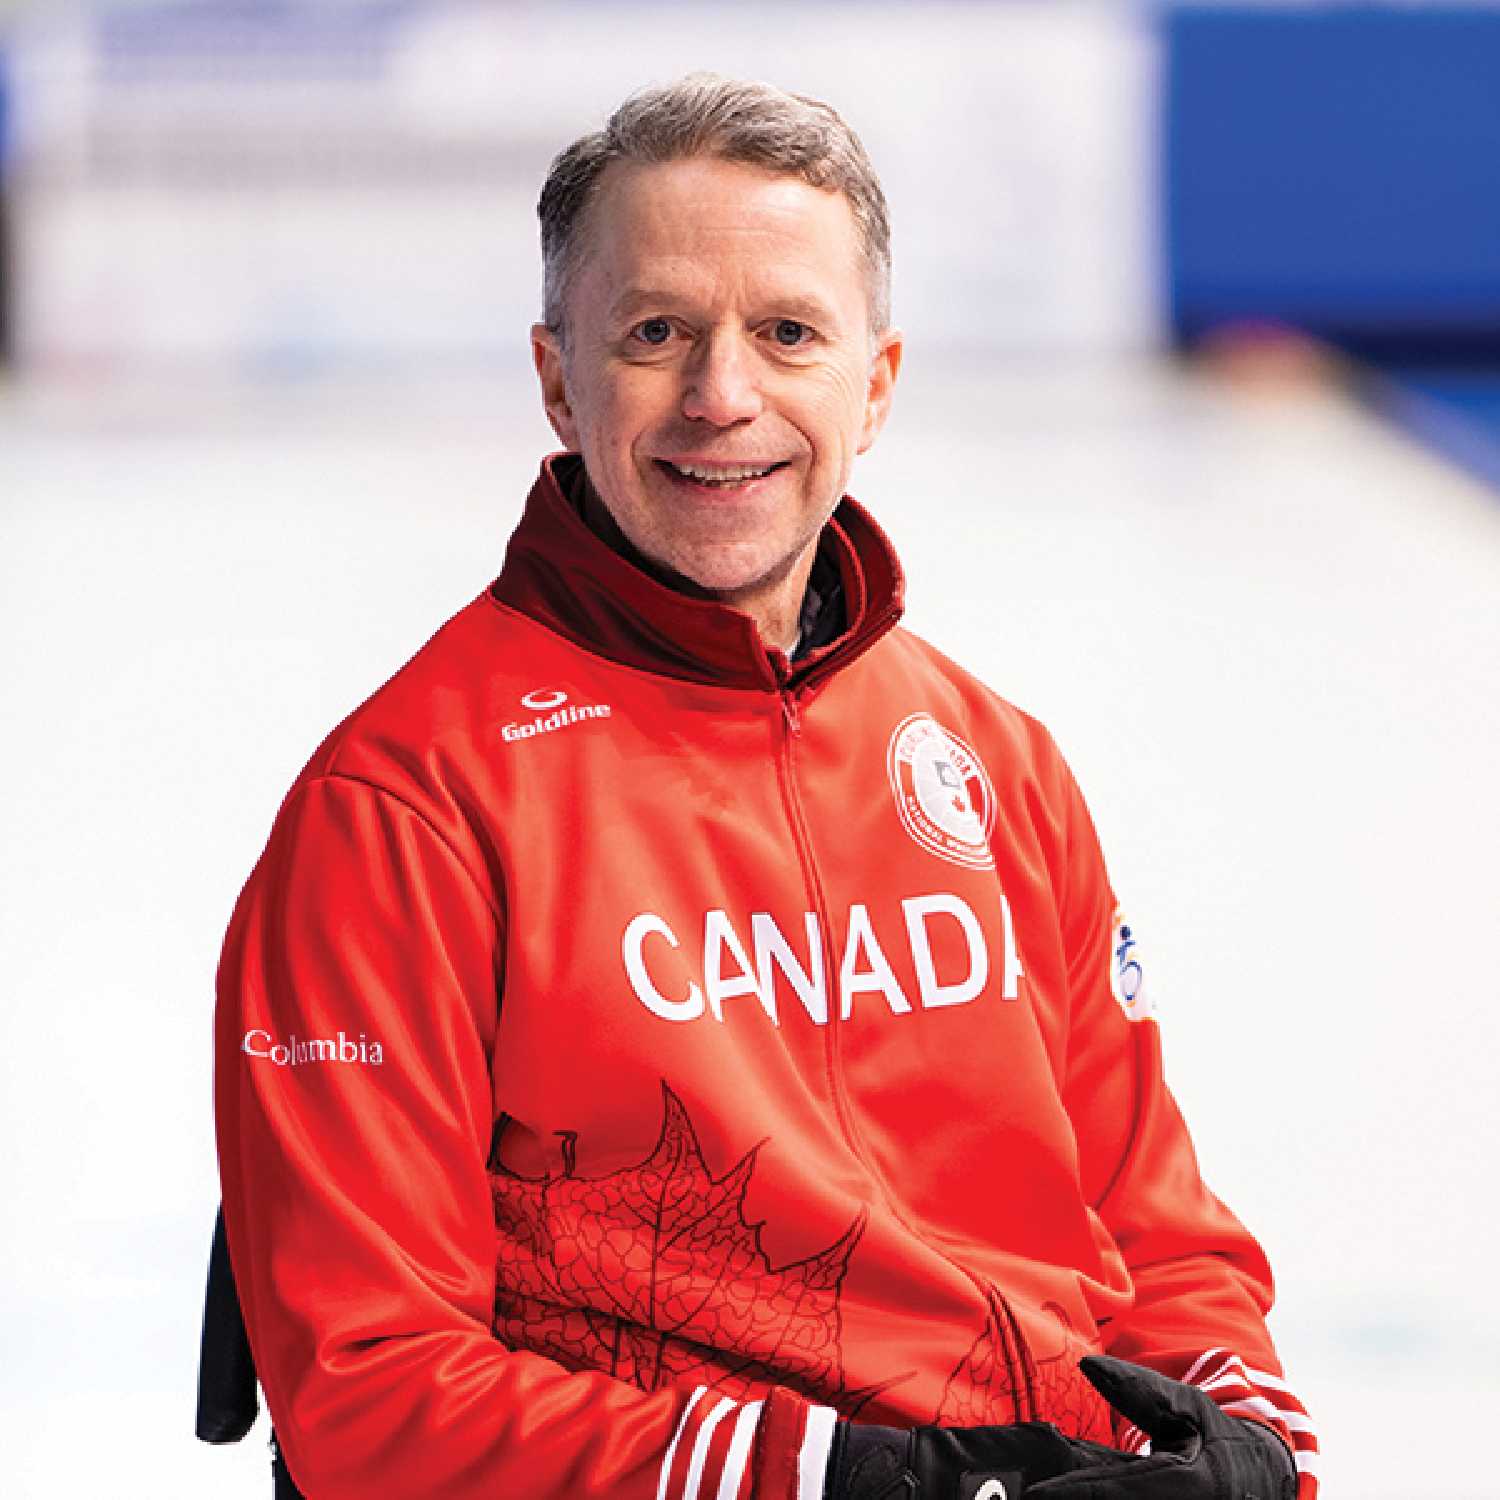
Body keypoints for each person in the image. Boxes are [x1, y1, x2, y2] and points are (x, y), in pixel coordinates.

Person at [209, 75, 1318, 1500]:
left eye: (786, 334)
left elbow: (1158, 1232)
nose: (722, 397)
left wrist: (1248, 1447)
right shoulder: (406, 807)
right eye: (656, 333)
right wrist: (856, 1484)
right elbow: (370, 1391)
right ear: (557, 377)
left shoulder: (994, 764)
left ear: (877, 383)